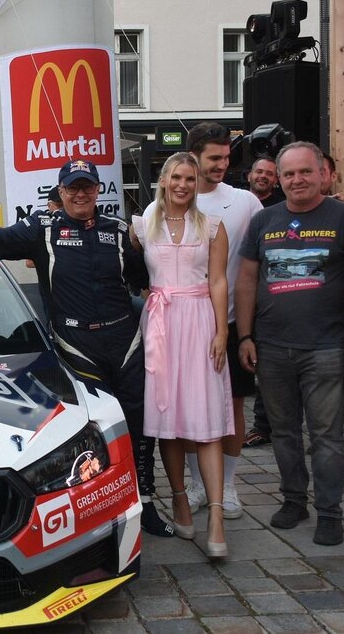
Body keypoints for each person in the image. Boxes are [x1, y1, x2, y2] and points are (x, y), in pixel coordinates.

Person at [0, 159, 176, 540]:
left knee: (140, 424)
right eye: (72, 188)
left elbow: (149, 278)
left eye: (88, 187)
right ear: (61, 192)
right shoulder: (42, 228)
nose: (80, 194)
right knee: (91, 428)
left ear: (99, 190)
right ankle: (98, 503)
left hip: (124, 341)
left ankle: (144, 501)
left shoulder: (120, 230)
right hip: (75, 343)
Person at [235, 141, 344, 546]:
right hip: (271, 346)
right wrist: (244, 335)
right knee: (284, 432)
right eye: (288, 173)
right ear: (279, 178)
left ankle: (330, 512)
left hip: (325, 348)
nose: (297, 180)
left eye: (305, 172)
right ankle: (294, 500)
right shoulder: (264, 221)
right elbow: (246, 281)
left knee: (327, 436)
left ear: (322, 174)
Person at [131, 152, 234, 557]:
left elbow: (220, 281)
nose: (182, 185)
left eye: (190, 178)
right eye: (176, 177)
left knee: (207, 420)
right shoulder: (142, 225)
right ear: (163, 179)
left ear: (197, 182)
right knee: (167, 418)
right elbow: (134, 276)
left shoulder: (211, 227)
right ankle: (178, 498)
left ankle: (217, 514)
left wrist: (222, 331)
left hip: (199, 322)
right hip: (160, 325)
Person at [183, 122, 263, 520]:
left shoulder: (246, 202)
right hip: (183, 328)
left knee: (231, 407)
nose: (222, 164)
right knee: (186, 411)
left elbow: (261, 259)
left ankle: (228, 485)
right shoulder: (166, 202)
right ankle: (198, 485)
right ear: (193, 155)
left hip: (229, 325)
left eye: (227, 157)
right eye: (215, 157)